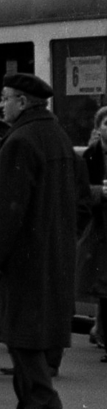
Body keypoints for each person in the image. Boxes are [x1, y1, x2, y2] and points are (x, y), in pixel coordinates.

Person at [0, 73, 93, 409]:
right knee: (28, 328)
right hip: (53, 252)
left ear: (23, 103)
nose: (1, 105)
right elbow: (81, 204)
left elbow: (6, 209)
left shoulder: (20, 141)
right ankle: (27, 400)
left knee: (21, 331)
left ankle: (46, 404)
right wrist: (63, 237)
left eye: (5, 98)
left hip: (22, 255)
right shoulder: (58, 138)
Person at [82, 106, 107, 359]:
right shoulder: (90, 156)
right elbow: (81, 191)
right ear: (98, 128)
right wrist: (101, 192)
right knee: (102, 286)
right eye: (106, 123)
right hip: (99, 227)